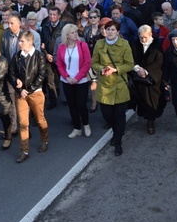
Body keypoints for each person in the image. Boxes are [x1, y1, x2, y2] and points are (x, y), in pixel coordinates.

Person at [90, 20, 134, 156]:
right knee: (107, 114)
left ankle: (118, 141)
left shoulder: (124, 44)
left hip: (119, 85)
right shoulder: (99, 44)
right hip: (104, 85)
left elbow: (130, 65)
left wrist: (116, 69)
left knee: (119, 115)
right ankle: (116, 133)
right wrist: (102, 69)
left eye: (112, 30)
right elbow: (94, 63)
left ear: (118, 32)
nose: (109, 32)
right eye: (107, 29)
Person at [7, 31, 49, 163]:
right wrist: (18, 88)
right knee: (23, 123)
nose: (19, 43)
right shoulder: (17, 56)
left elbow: (41, 75)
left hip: (35, 93)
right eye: (19, 41)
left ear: (30, 42)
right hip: (21, 95)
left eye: (22, 41)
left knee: (39, 120)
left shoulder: (39, 56)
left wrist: (28, 90)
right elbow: (11, 73)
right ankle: (24, 150)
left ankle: (45, 140)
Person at [55, 24, 92, 138]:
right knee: (72, 105)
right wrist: (67, 77)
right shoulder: (61, 47)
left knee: (81, 104)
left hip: (81, 80)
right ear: (66, 35)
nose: (75, 34)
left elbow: (87, 63)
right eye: (72, 32)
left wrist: (77, 78)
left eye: (76, 32)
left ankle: (86, 124)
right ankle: (77, 128)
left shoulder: (83, 45)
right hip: (67, 81)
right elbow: (59, 64)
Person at [131, 25, 165, 135]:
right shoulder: (135, 44)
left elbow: (158, 62)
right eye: (141, 37)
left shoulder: (156, 46)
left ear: (150, 35)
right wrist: (137, 68)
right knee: (141, 99)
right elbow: (131, 59)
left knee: (152, 101)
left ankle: (151, 121)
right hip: (139, 79)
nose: (143, 40)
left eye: (145, 37)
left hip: (152, 80)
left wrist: (145, 71)